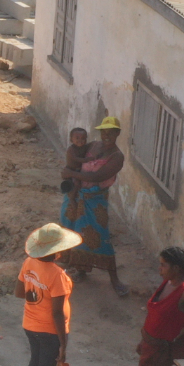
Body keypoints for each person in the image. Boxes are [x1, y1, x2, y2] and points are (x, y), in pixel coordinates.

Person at [15, 223, 80, 366]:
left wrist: (36, 293)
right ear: (58, 252)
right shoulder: (58, 276)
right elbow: (57, 313)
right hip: (50, 331)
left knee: (34, 363)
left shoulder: (29, 262)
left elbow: (19, 292)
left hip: (30, 324)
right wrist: (63, 343)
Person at [60, 117, 129, 297]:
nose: (106, 136)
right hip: (77, 197)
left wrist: (71, 173)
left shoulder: (117, 156)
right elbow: (74, 151)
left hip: (95, 201)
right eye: (104, 132)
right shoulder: (93, 146)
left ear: (117, 133)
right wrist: (69, 171)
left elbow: (97, 177)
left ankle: (115, 279)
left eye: (111, 132)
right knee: (75, 234)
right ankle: (81, 270)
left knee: (101, 237)